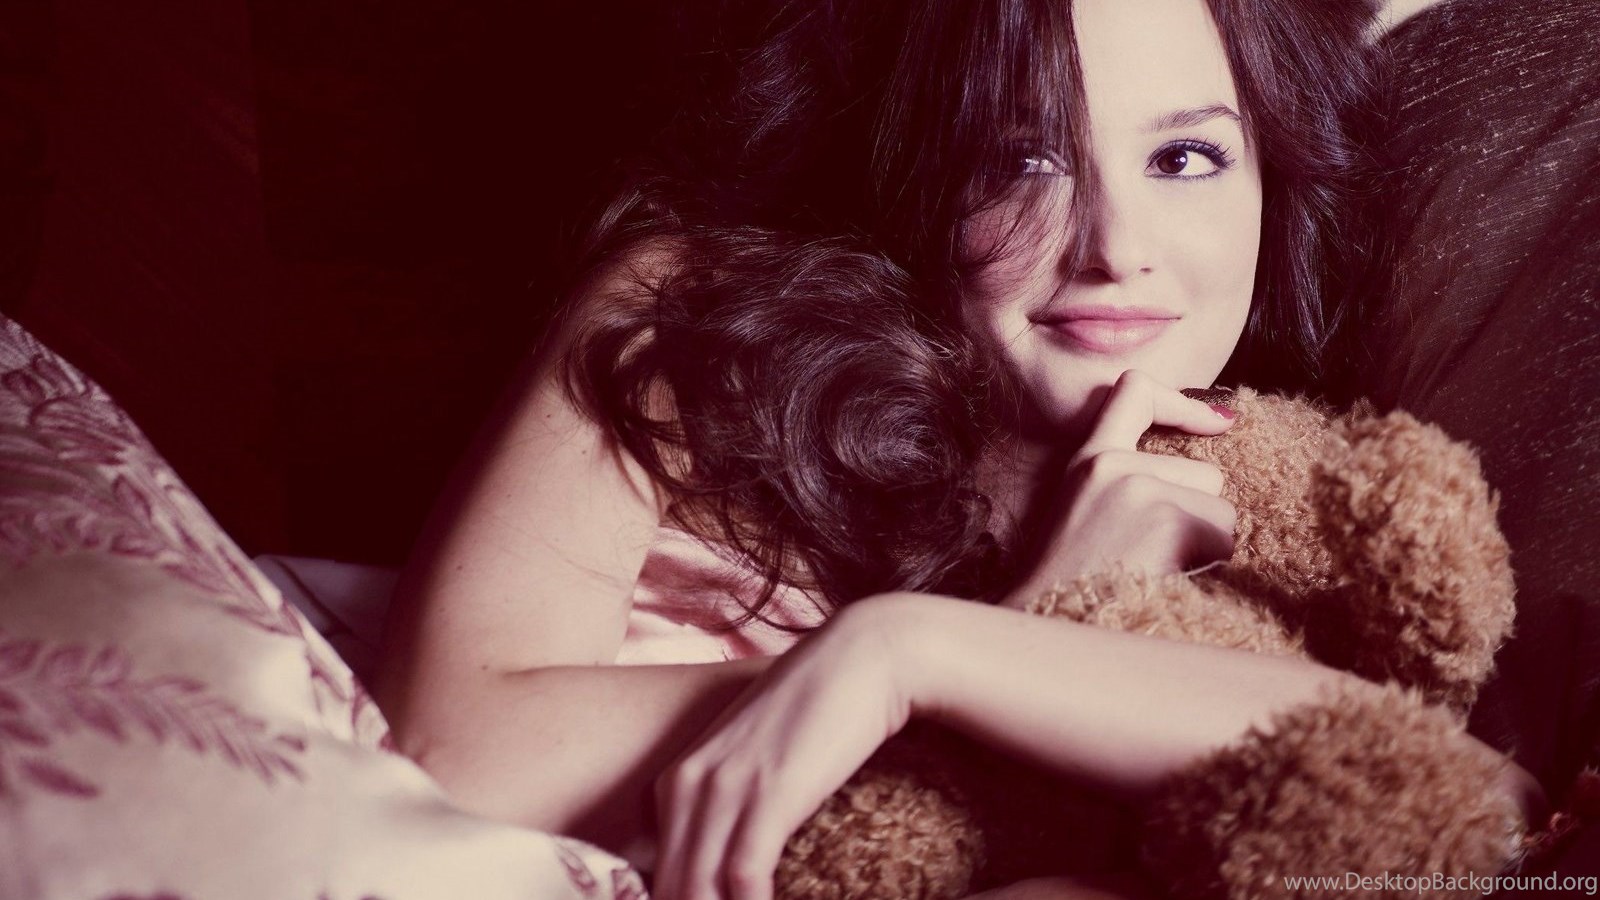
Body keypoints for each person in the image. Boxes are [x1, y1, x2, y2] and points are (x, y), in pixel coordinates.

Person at [371, 0, 1544, 896]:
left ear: (1268, 178)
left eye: (1184, 158)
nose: (1115, 247)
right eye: (1022, 159)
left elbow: (1488, 817)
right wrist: (996, 645)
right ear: (915, 170)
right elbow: (454, 753)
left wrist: (930, 655)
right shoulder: (693, 321)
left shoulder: (1263, 490)